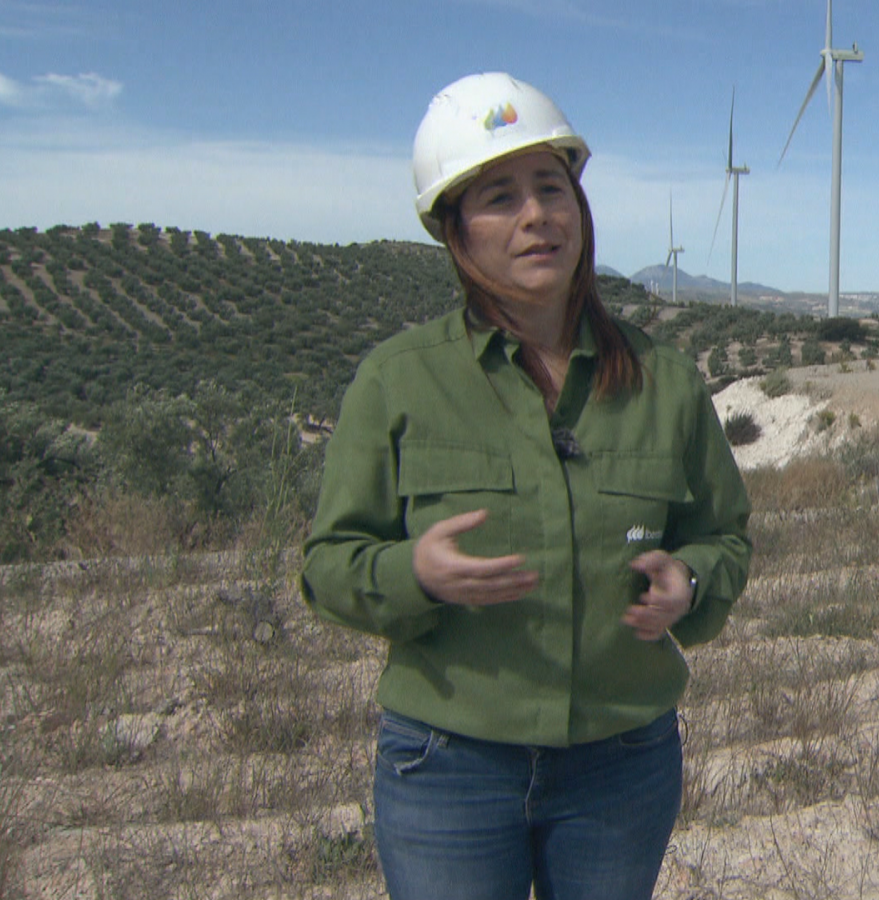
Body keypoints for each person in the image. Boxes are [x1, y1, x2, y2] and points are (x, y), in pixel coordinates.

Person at [300, 72, 752, 900]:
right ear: (454, 231)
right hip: (449, 765)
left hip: (621, 766)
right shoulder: (396, 383)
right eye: (500, 197)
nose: (537, 215)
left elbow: (723, 535)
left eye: (553, 187)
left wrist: (693, 581)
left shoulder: (666, 383)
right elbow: (328, 565)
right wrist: (415, 575)